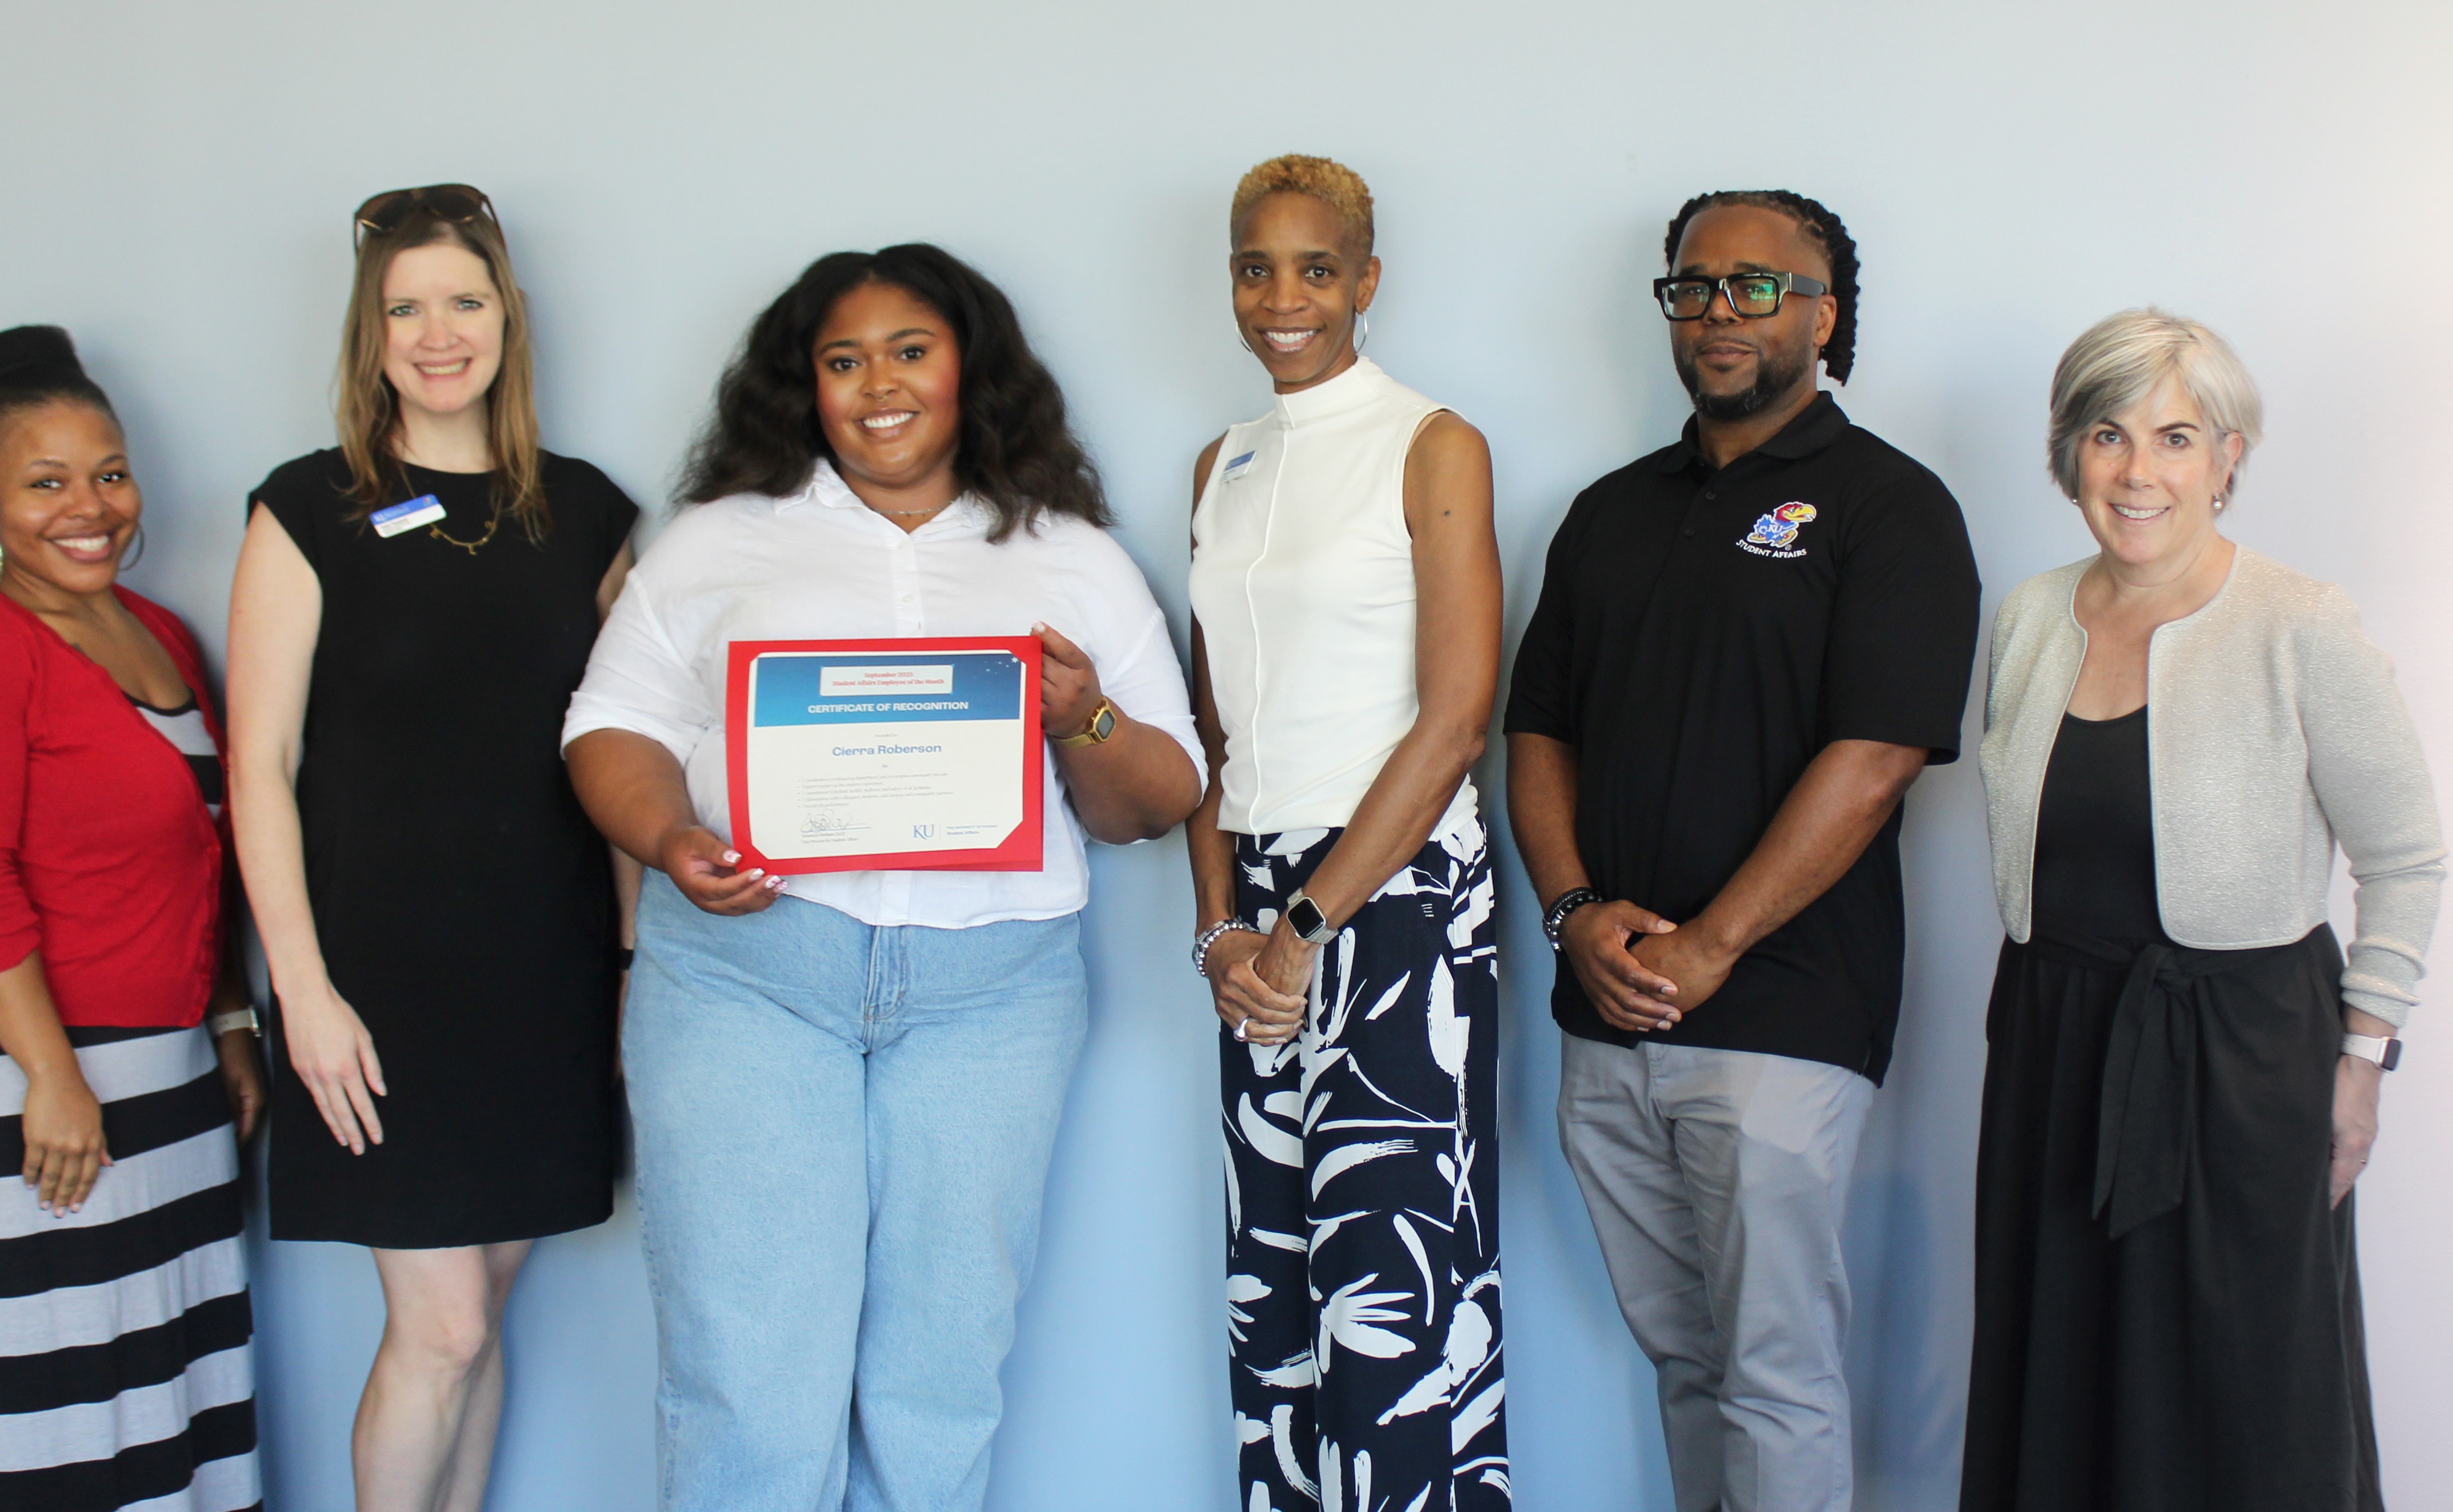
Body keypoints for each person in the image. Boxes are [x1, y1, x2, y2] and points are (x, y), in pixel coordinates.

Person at [562, 242, 1204, 1512]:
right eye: (843, 361)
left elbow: (1162, 796)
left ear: (971, 367)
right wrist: (669, 838)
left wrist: (1082, 718)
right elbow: (611, 725)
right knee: (749, 1370)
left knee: (939, 1373)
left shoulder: (1069, 555)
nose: (878, 385)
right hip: (747, 980)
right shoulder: (717, 540)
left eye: (910, 351)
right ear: (804, 386)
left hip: (990, 998)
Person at [1504, 191, 1980, 1512]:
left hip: (1781, 1013)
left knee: (1773, 1372)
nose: (1719, 310)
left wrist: (1711, 945)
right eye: (1694, 286)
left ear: (1822, 317)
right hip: (1606, 1013)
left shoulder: (1890, 507)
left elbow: (1876, 756)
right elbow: (1537, 732)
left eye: (1756, 287)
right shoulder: (1607, 512)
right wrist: (1573, 913)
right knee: (1686, 1360)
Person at [1962, 310, 2444, 1511]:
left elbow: (2404, 858)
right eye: (2108, 435)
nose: (2138, 471)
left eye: (2175, 437)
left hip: (2242, 1061)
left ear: (2228, 457)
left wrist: (2363, 1061)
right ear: (2068, 453)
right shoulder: (2028, 618)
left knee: (2242, 1393)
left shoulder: (2298, 622)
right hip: (2052, 1049)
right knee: (2062, 1379)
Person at [226, 185, 639, 1511]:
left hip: (545, 974)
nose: (438, 333)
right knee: (443, 1326)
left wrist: (631, 969)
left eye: (463, 301)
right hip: (377, 986)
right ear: (373, 334)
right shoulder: (307, 508)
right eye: (406, 309)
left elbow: (627, 751)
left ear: (507, 319)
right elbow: (257, 766)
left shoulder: (588, 514)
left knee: (483, 1313)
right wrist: (301, 992)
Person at [0, 326, 266, 1512]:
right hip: (22, 1067)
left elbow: (202, 857)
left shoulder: (157, 632)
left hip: (165, 1063)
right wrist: (51, 1079)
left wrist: (230, 1026)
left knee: (169, 1377)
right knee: (66, 1392)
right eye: (44, 483)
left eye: (108, 473)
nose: (88, 508)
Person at [1186, 154, 1508, 1512]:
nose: (1284, 298)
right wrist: (1223, 928)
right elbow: (1213, 735)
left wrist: (1306, 925)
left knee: (1398, 1299)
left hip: (1395, 896)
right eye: (1255, 269)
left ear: (1366, 280)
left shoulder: (1431, 443)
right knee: (1274, 1298)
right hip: (1257, 911)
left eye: (1316, 269)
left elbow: (1457, 718)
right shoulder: (1221, 461)